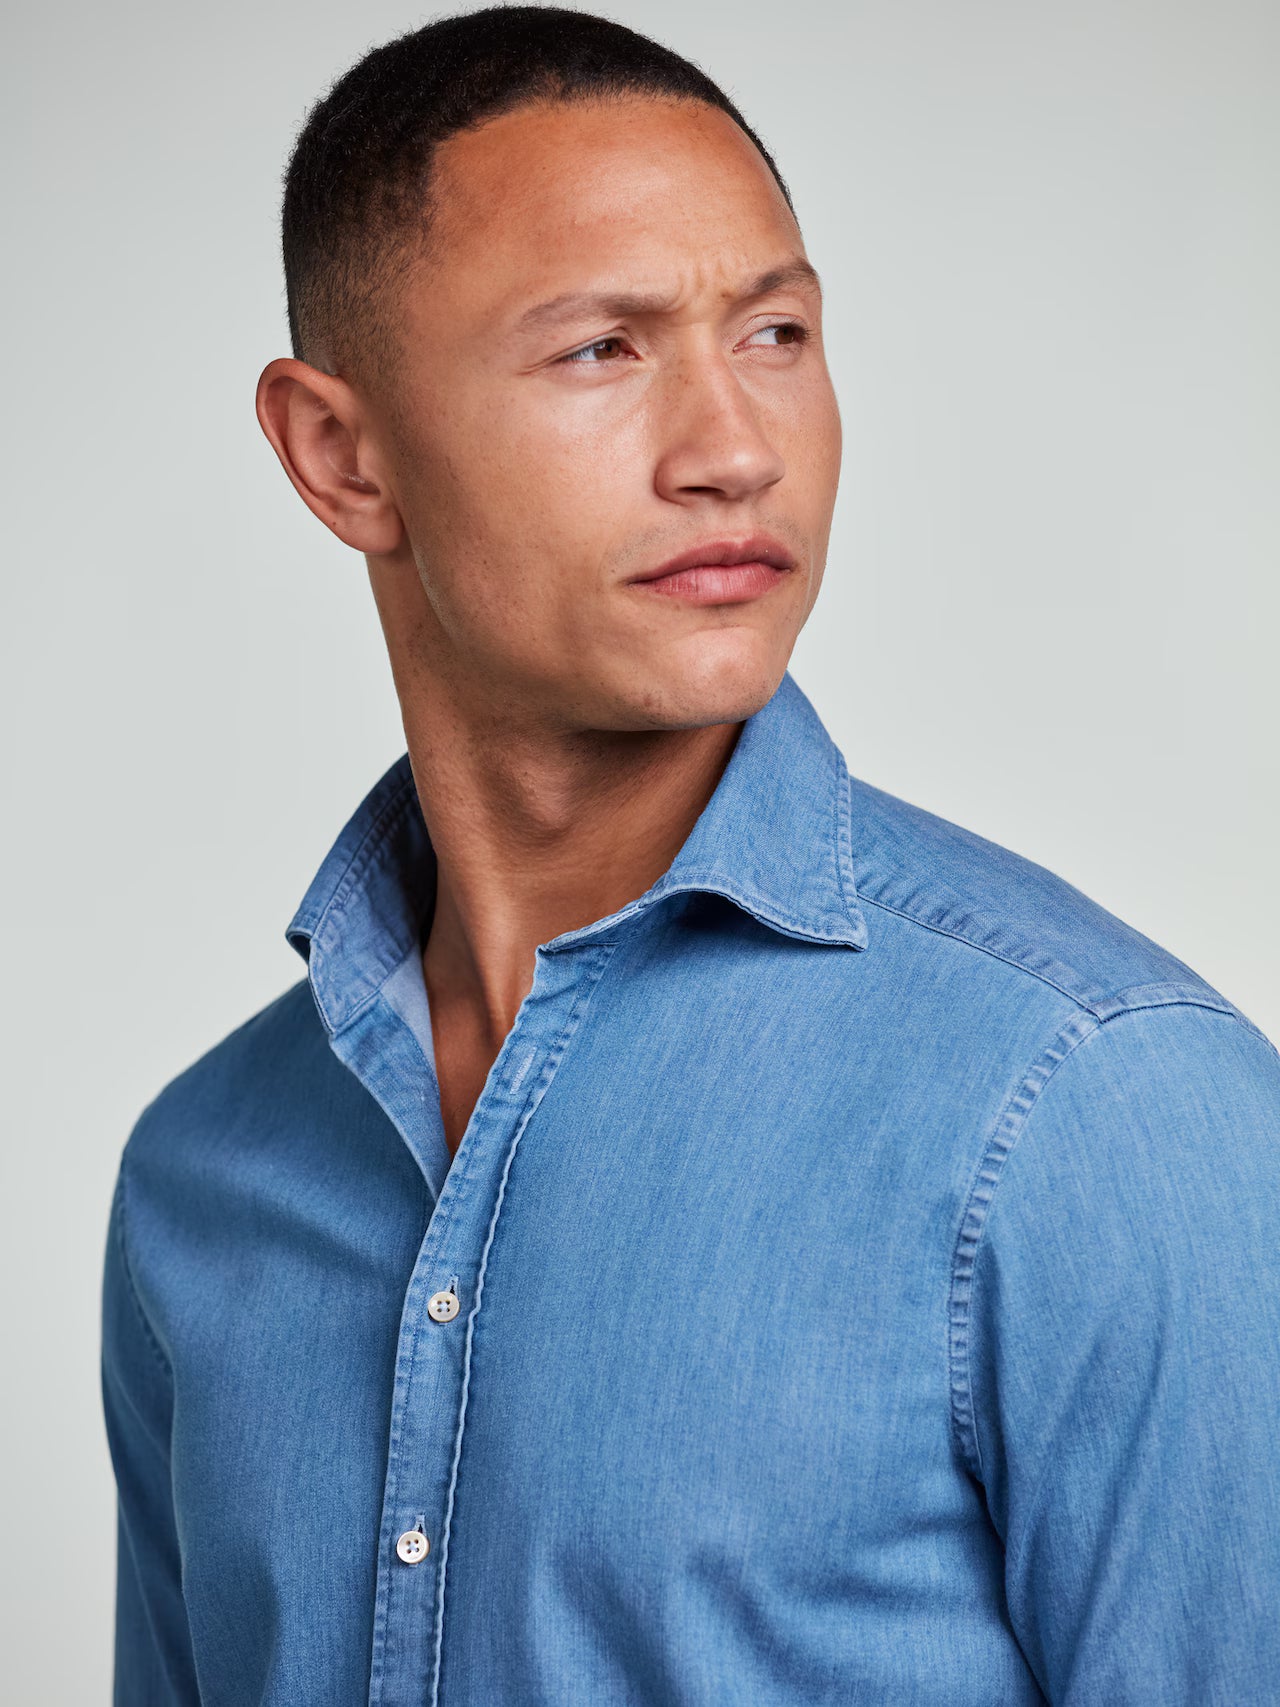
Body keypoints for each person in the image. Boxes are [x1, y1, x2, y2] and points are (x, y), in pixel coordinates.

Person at [100, 8, 1280, 1704]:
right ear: (342, 456)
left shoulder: (1099, 1113)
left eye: (777, 332)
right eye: (603, 349)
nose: (735, 449)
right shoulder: (205, 1174)